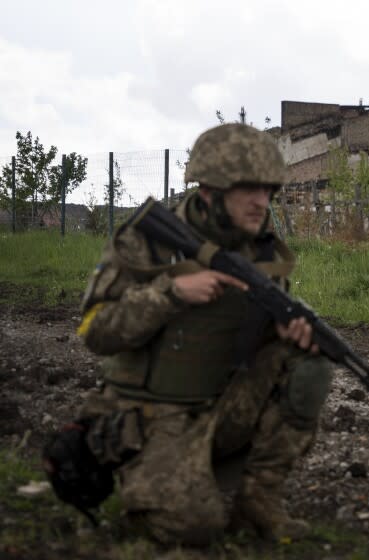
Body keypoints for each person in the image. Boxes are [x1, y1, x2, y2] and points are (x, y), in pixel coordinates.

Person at [74, 123, 333, 545]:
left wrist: (287, 331)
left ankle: (257, 501)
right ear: (210, 191)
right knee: (194, 528)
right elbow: (95, 331)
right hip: (150, 415)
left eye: (268, 190)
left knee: (309, 362)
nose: (261, 202)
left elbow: (254, 344)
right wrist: (172, 292)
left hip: (219, 404)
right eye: (248, 189)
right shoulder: (146, 241)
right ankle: (146, 485)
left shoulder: (260, 247)